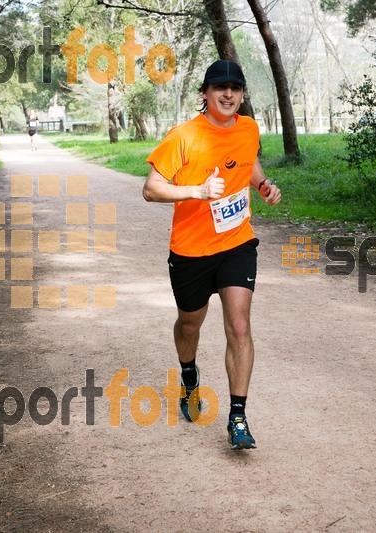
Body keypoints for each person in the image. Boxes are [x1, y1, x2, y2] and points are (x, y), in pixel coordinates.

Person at [143, 60, 281, 450]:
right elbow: (151, 189)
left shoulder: (249, 127)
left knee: (239, 326)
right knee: (190, 323)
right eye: (220, 87)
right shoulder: (183, 136)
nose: (228, 94)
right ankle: (189, 377)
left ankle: (237, 417)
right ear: (205, 93)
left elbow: (249, 160)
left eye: (235, 88)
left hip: (237, 243)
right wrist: (197, 192)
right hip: (190, 250)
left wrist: (264, 183)